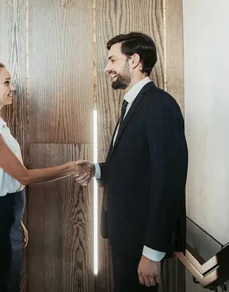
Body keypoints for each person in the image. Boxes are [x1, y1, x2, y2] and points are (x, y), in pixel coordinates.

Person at [76, 32, 188, 291]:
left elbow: (168, 182)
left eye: (112, 60)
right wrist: (96, 170)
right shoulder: (133, 104)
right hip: (125, 241)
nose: (107, 68)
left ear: (135, 60)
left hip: (141, 246)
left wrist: (152, 252)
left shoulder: (160, 105)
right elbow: (131, 167)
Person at [0, 59, 90, 292]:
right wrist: (71, 167)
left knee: (6, 284)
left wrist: (17, 219)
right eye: (7, 82)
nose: (12, 88)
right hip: (1, 219)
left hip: (7, 217)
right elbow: (23, 176)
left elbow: (4, 180)